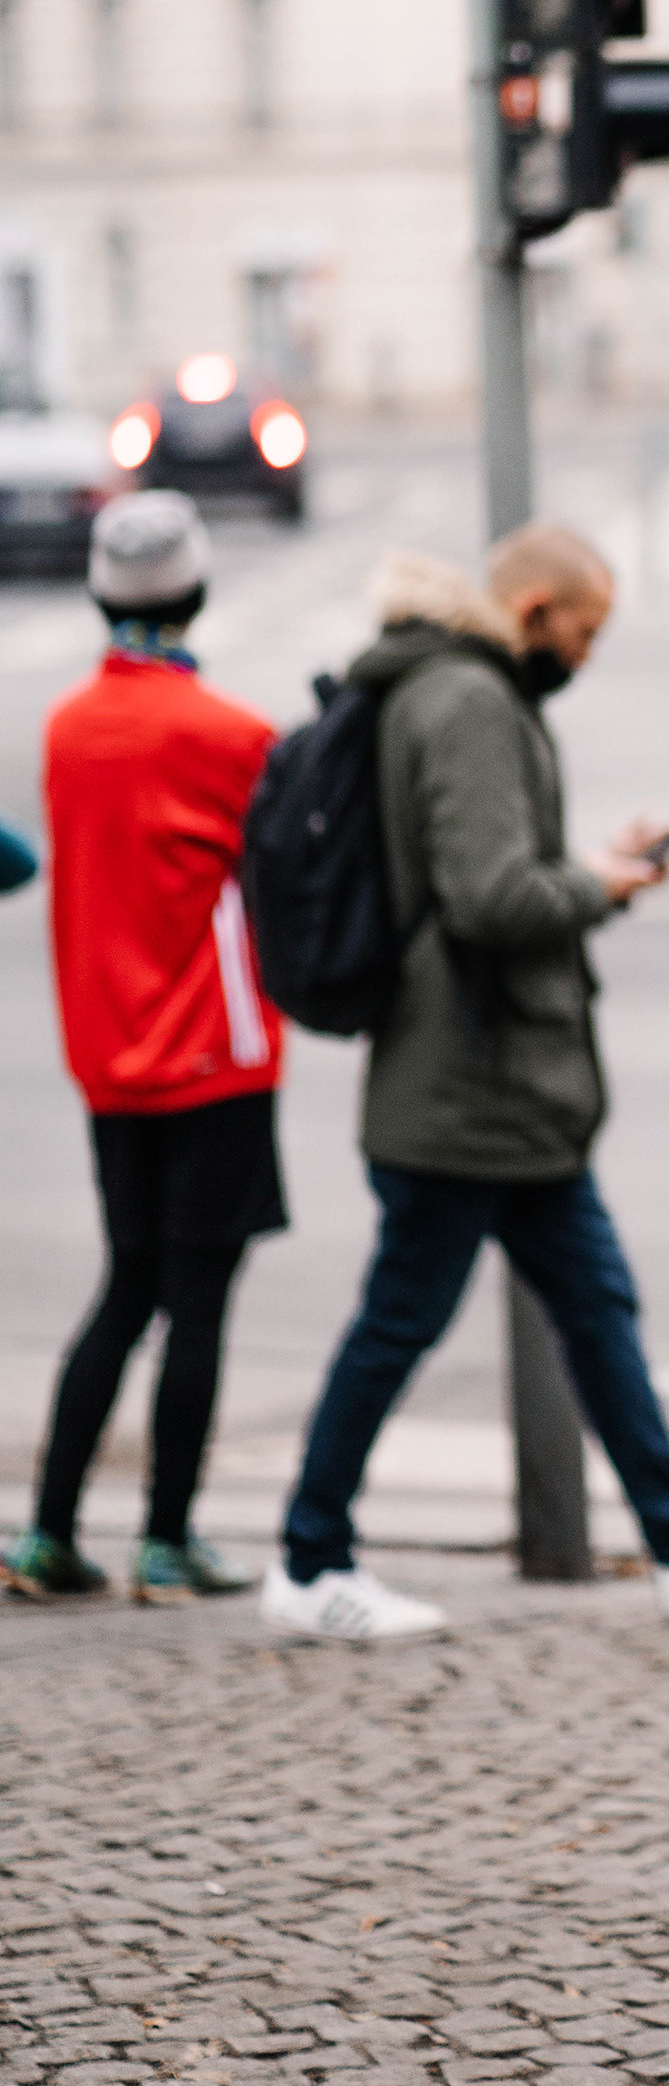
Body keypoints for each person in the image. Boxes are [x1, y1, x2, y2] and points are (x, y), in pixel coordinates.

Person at [263, 524, 669, 1644]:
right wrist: (604, 886)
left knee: (593, 1307)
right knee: (401, 1322)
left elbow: (482, 873)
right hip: (467, 1081)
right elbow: (487, 898)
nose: (588, 652)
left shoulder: (451, 689)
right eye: (585, 629)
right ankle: (307, 1559)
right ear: (531, 611)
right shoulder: (466, 701)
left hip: (498, 1086)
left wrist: (584, 867)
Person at [2, 492, 285, 1609]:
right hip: (216, 1053)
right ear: (198, 590)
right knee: (201, 1297)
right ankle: (167, 1540)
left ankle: (47, 1530)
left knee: (126, 1286)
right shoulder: (234, 736)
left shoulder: (67, 728)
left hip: (108, 1056)